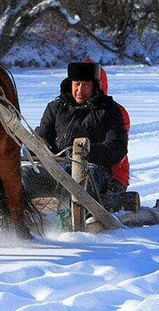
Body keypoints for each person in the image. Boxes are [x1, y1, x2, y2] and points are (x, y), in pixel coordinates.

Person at [23, 61, 130, 209]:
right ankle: (14, 221)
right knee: (22, 176)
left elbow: (117, 147)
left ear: (96, 86)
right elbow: (43, 135)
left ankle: (73, 226)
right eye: (76, 84)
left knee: (80, 179)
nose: (80, 90)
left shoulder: (111, 112)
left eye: (86, 85)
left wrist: (83, 152)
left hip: (101, 172)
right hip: (59, 167)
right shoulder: (56, 108)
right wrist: (33, 145)